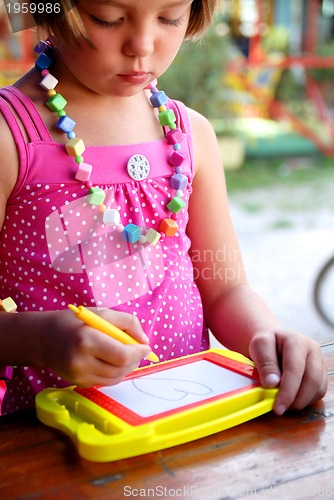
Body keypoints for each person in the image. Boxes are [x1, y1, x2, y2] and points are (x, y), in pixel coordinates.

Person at [0, 0, 327, 416]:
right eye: (108, 18)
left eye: (170, 17)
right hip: (51, 445)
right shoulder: (10, 138)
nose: (141, 45)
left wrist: (268, 338)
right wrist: (39, 341)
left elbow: (225, 288)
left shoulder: (190, 136)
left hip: (187, 425)